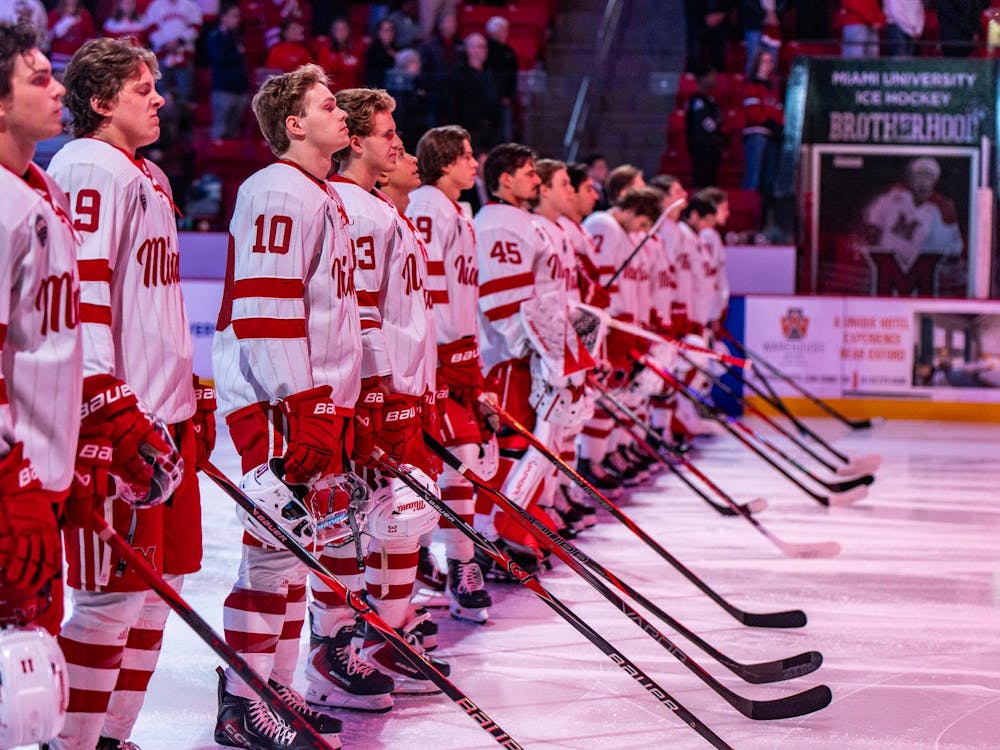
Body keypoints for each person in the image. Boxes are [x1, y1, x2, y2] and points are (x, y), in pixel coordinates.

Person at [49, 37, 213, 750]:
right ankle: (74, 743)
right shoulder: (86, 164)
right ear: (99, 100)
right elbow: (81, 297)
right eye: (143, 87)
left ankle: (112, 737)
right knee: (109, 599)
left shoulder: (146, 173)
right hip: (119, 421)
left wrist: (184, 386)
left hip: (162, 411)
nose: (160, 98)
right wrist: (102, 403)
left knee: (153, 593)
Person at [212, 63, 359, 749]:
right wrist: (305, 404)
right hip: (281, 401)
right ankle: (242, 705)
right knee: (270, 558)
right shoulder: (276, 188)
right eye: (328, 105)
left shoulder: (316, 191)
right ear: (293, 124)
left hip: (304, 400)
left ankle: (273, 693)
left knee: (291, 556)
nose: (342, 114)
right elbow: (267, 310)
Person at [314, 86, 445, 698]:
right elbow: (362, 314)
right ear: (356, 141)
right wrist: (382, 397)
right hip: (374, 397)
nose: (399, 143)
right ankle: (347, 645)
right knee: (367, 525)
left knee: (401, 524)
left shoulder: (377, 208)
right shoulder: (353, 209)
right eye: (388, 133)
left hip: (399, 393)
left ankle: (381, 639)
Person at [0, 21, 82, 640]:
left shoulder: (43, 189)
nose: (59, 90)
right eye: (40, 79)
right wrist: (12, 481)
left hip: (39, 476)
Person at [474, 143, 590, 575]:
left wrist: (566, 350)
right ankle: (489, 532)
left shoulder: (524, 224)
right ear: (504, 180)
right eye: (527, 172)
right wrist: (540, 350)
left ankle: (506, 523)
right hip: (509, 356)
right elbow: (505, 306)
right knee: (511, 448)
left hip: (535, 352)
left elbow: (555, 298)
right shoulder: (501, 223)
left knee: (531, 445)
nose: (536, 179)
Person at [407, 125, 499, 621]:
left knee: (461, 457)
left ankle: (432, 554)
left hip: (461, 353)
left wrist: (471, 359)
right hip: (435, 356)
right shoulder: (425, 205)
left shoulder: (459, 213)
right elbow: (426, 285)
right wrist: (442, 352)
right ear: (443, 161)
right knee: (454, 455)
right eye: (466, 156)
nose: (474, 164)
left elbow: (468, 295)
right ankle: (458, 564)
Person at [861, 157, 965, 294]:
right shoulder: (893, 197)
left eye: (928, 176)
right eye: (919, 175)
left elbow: (953, 249)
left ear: (934, 181)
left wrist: (949, 220)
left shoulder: (937, 211)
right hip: (883, 274)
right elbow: (870, 222)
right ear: (910, 178)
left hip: (915, 282)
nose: (923, 181)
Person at [741, 47, 782, 199]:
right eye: (764, 61)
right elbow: (754, 114)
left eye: (770, 62)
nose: (767, 65)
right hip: (756, 135)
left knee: (768, 180)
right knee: (754, 177)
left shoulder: (773, 89)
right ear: (757, 63)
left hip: (771, 136)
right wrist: (771, 121)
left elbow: (778, 113)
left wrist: (777, 125)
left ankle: (763, 216)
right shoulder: (751, 86)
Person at [450, 32, 501, 152]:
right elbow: (455, 105)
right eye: (480, 46)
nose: (484, 50)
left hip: (490, 131)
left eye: (485, 47)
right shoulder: (459, 75)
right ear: (470, 49)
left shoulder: (490, 75)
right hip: (469, 130)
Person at [143, 0, 202, 102]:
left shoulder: (190, 5)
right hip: (162, 54)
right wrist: (166, 44)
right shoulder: (155, 6)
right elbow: (150, 29)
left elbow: (196, 27)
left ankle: (183, 115)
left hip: (184, 54)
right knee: (161, 92)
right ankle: (162, 116)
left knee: (185, 91)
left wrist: (180, 40)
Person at [207, 2, 249, 140]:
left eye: (238, 16)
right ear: (223, 18)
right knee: (220, 130)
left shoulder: (237, 35)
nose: (237, 19)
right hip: (223, 90)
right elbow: (219, 59)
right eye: (233, 16)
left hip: (239, 89)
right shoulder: (215, 36)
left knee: (234, 132)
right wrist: (238, 53)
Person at [418, 8, 459, 126]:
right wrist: (427, 87)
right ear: (441, 25)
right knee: (433, 123)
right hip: (434, 92)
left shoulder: (459, 45)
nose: (454, 25)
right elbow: (423, 68)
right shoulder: (429, 45)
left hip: (453, 92)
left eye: (454, 22)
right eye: (450, 21)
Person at [685, 66, 723, 189]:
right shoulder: (696, 100)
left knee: (711, 180)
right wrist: (717, 129)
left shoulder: (711, 100)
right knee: (701, 179)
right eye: (711, 76)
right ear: (703, 79)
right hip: (700, 146)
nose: (714, 79)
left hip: (712, 147)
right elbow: (707, 123)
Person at [484, 16, 518, 142]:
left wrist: (509, 96)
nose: (506, 33)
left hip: (504, 100)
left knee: (505, 134)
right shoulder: (486, 51)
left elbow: (513, 77)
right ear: (493, 32)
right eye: (503, 30)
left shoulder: (509, 52)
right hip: (487, 100)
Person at [47, 0, 96, 70]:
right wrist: (63, 25)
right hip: (57, 61)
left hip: (77, 60)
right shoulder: (54, 14)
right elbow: (48, 38)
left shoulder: (85, 16)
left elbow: (90, 40)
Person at [317, 17, 362, 92]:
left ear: (349, 31)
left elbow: (360, 75)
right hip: (333, 94)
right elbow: (322, 74)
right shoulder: (325, 49)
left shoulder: (356, 49)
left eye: (344, 29)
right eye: (337, 29)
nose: (341, 32)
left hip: (352, 94)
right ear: (332, 31)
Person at [364, 17, 396, 87]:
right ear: (378, 32)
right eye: (386, 30)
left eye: (391, 30)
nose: (389, 33)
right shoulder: (373, 52)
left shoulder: (396, 49)